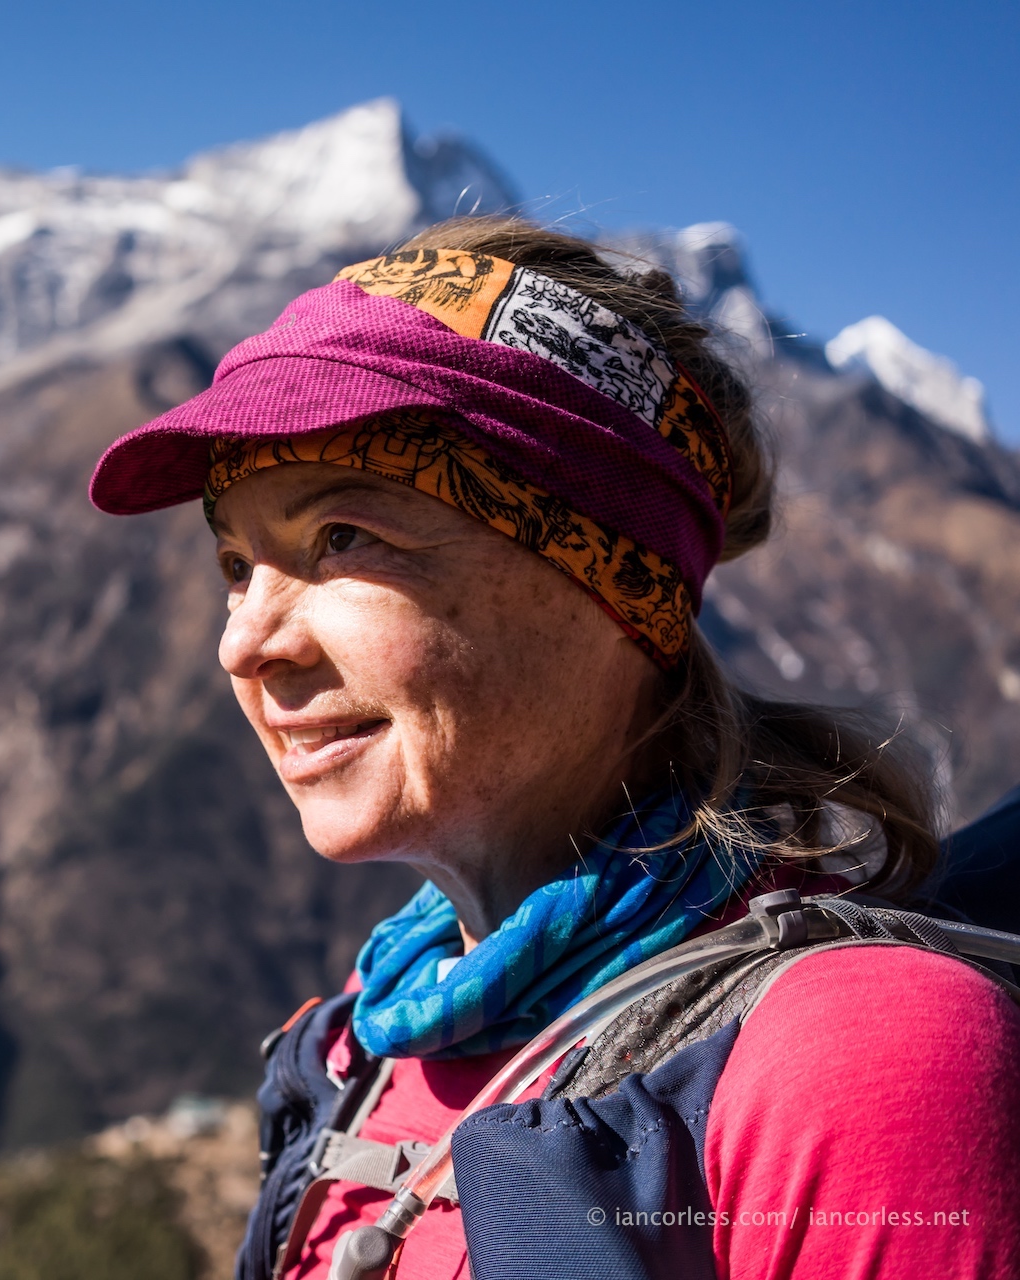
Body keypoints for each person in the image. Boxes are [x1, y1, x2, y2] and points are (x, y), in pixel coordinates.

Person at [88, 217, 1020, 1280]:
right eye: (236, 565)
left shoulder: (862, 1068)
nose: (245, 644)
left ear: (605, 579)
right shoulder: (367, 1042)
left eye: (343, 537)